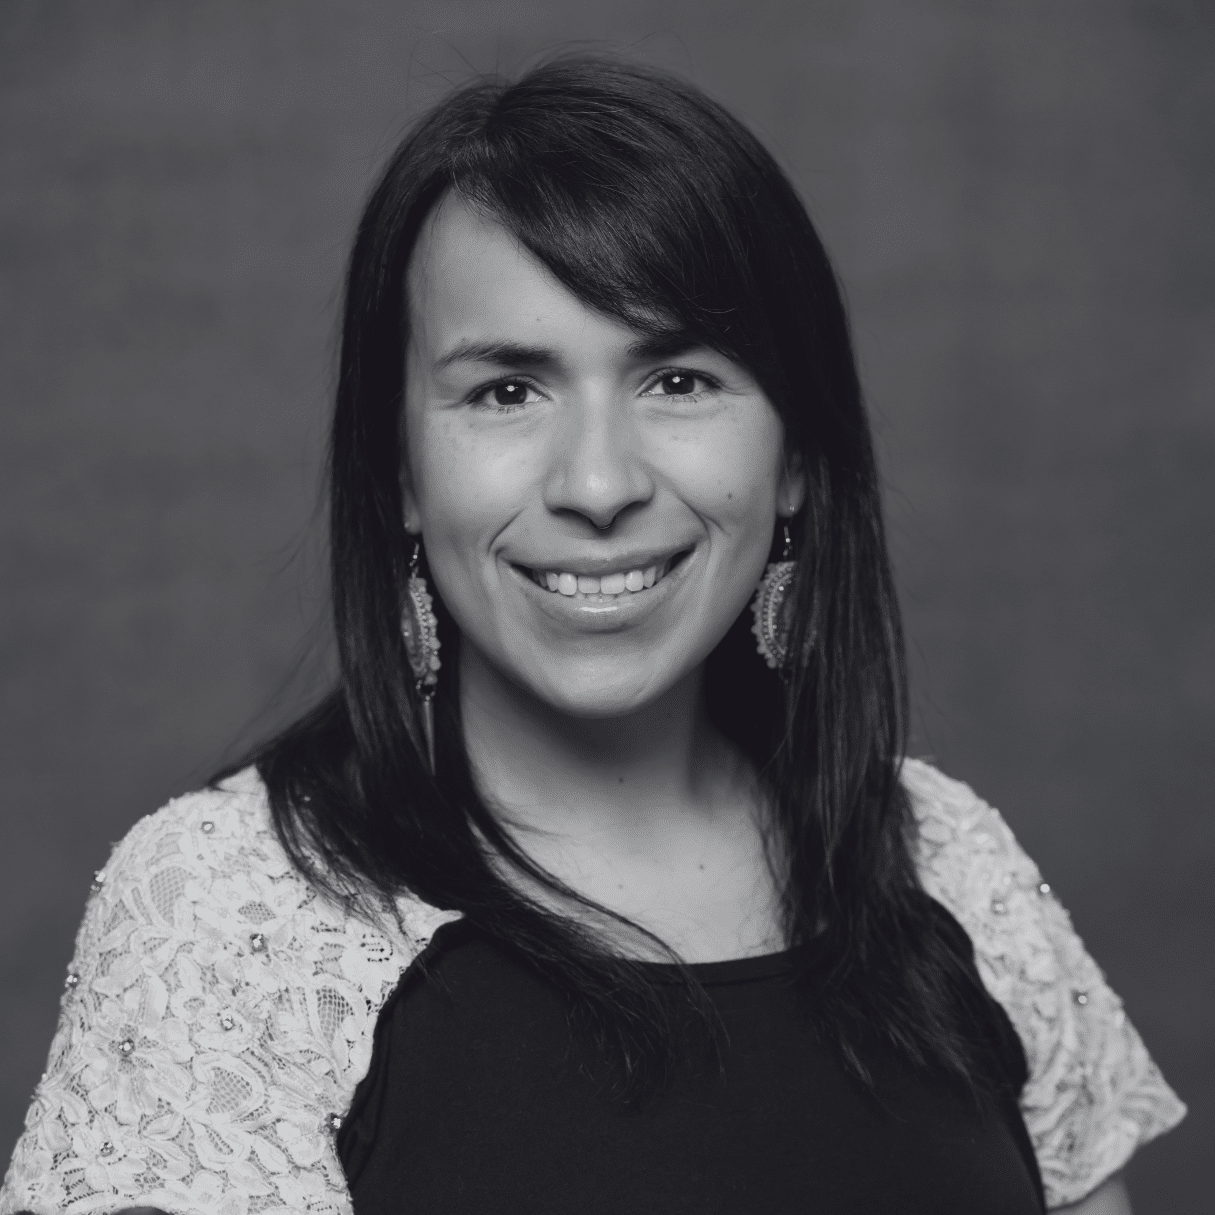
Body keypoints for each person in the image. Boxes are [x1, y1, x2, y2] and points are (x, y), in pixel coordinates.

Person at [1, 56, 1184, 1215]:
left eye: (677, 379)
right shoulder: (233, 921)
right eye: (506, 390)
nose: (600, 482)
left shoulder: (949, 869)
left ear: (798, 463)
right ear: (400, 473)